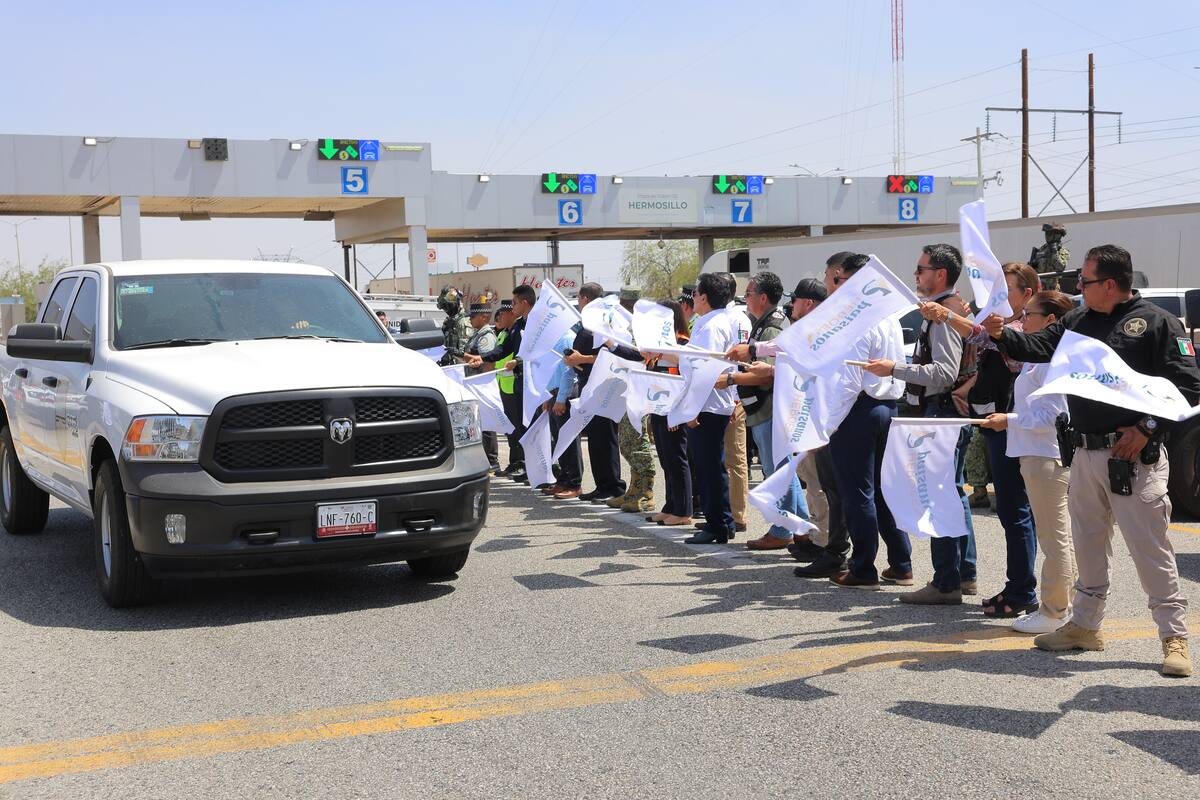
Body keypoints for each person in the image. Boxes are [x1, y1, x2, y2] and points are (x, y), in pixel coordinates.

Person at [988, 244, 1200, 677]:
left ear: (1109, 284)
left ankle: (1173, 637)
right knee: (1087, 545)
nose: (1077, 290)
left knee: (1150, 550)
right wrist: (997, 333)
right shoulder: (1077, 320)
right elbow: (1034, 346)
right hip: (1084, 452)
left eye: (1084, 282)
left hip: (1134, 458)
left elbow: (1190, 387)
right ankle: (1085, 626)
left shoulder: (1158, 322)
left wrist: (1146, 429)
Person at [920, 263, 1041, 617]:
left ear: (1027, 295)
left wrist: (947, 315)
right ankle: (1017, 587)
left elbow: (985, 338)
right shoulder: (1002, 327)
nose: (995, 298)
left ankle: (1022, 591)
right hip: (997, 427)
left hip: (1012, 428)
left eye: (1004, 291)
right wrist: (946, 315)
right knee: (1011, 511)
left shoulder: (1022, 331)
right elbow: (975, 334)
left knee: (1017, 512)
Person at [865, 243, 978, 604]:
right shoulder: (949, 309)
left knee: (941, 497)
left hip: (942, 415)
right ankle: (964, 573)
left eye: (921, 269)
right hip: (945, 415)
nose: (916, 275)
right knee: (953, 495)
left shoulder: (944, 313)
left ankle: (947, 581)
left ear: (940, 274)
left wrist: (893, 368)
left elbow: (944, 373)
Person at [972, 291, 1076, 633]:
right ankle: (1060, 607)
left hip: (1046, 454)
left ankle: (1054, 610)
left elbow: (1055, 415)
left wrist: (1009, 420)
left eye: (1028, 314)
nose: (1022, 320)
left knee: (1054, 536)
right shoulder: (1037, 356)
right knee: (1052, 535)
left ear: (1050, 321)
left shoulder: (1050, 358)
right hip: (1034, 453)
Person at [721, 271, 809, 550]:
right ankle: (800, 527)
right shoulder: (763, 324)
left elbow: (769, 374)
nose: (744, 299)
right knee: (781, 472)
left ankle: (784, 530)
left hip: (770, 408)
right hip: (763, 409)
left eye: (748, 294)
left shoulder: (772, 328)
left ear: (762, 297)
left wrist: (730, 379)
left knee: (778, 472)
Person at [683, 272, 739, 544]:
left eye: (695, 293)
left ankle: (717, 525)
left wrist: (692, 409)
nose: (692, 297)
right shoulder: (710, 322)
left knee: (709, 468)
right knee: (711, 467)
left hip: (707, 405)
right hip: (709, 403)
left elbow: (706, 369)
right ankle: (721, 520)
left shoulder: (712, 326)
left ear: (703, 297)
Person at [562, 283, 628, 503]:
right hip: (589, 384)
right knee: (596, 438)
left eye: (580, 300)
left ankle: (613, 485)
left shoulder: (603, 324)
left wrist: (582, 359)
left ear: (585, 299)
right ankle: (602, 484)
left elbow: (613, 355)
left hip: (605, 387)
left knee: (605, 437)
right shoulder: (588, 325)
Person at [465, 286, 536, 483]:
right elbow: (504, 349)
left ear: (524, 302)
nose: (512, 307)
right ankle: (530, 468)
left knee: (535, 427)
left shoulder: (539, 323)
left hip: (536, 385)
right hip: (520, 384)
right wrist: (482, 358)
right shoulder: (518, 325)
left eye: (514, 303)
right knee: (522, 428)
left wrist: (519, 362)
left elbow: (540, 352)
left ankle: (543, 469)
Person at [608, 287, 657, 513]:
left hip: (643, 392)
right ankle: (634, 488)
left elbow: (640, 355)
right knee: (626, 440)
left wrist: (613, 346)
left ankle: (646, 491)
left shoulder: (645, 328)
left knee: (638, 440)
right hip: (629, 389)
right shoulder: (630, 326)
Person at [645, 299, 693, 526]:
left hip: (674, 409)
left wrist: (676, 413)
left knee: (677, 459)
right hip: (658, 407)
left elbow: (683, 381)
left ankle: (684, 510)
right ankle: (671, 505)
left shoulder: (681, 343)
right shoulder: (658, 345)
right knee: (665, 459)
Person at [722, 273, 753, 534]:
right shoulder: (713, 318)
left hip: (733, 395)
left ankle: (738, 514)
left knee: (735, 459)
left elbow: (741, 360)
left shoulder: (738, 318)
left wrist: (734, 396)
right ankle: (722, 512)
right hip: (716, 397)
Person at [540, 328, 584, 499]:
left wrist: (561, 398)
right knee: (559, 439)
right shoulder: (553, 338)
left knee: (568, 439)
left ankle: (574, 482)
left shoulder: (567, 339)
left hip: (565, 391)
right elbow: (549, 370)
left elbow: (569, 371)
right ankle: (563, 480)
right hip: (554, 392)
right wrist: (547, 396)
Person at [464, 303, 500, 472]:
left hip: (481, 383)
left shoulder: (486, 336)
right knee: (479, 423)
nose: (470, 319)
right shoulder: (477, 335)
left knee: (486, 424)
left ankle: (492, 461)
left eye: (473, 316)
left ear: (484, 317)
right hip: (473, 383)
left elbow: (488, 362)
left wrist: (483, 384)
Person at [437, 286, 474, 366]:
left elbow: (465, 355)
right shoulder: (449, 321)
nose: (446, 310)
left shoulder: (463, 322)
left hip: (458, 369)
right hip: (449, 367)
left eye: (447, 307)